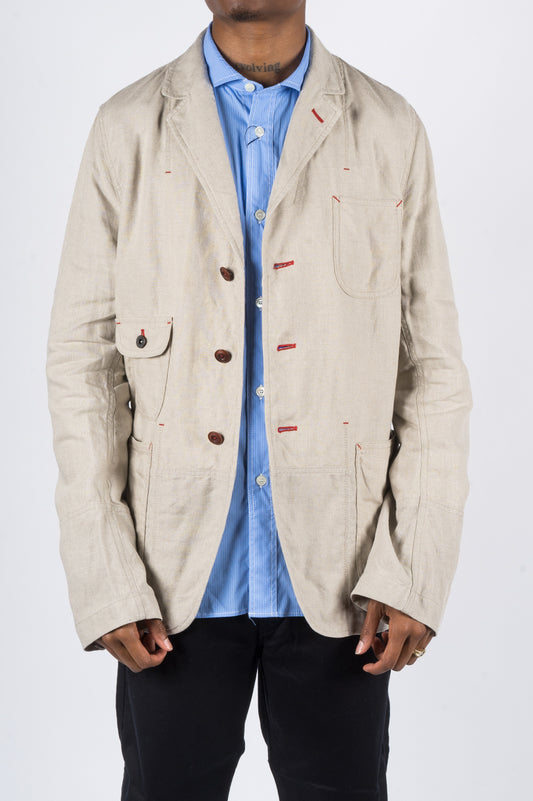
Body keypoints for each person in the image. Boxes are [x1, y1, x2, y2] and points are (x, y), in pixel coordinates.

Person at [45, 1, 473, 799]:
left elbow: (432, 369)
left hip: (345, 575)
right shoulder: (127, 126)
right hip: (168, 578)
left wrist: (412, 567)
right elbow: (83, 366)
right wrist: (105, 575)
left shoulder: (387, 128)